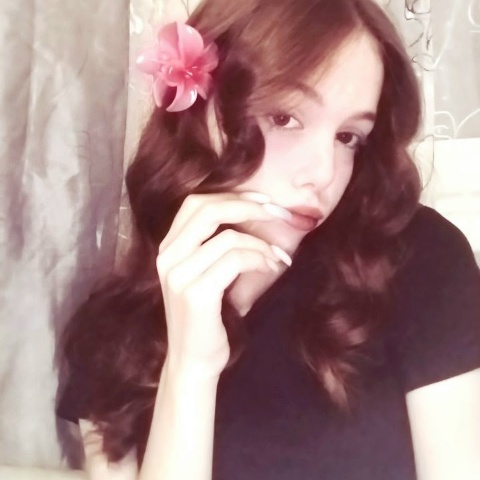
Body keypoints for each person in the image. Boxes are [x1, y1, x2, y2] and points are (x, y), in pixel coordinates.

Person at [56, 0, 480, 478]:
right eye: (285, 118)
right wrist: (189, 371)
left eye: (348, 137)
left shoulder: (420, 261)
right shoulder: (113, 331)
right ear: (204, 111)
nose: (323, 173)